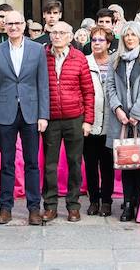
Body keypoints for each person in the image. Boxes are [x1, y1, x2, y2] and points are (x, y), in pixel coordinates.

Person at [0, 9, 49, 225]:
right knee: (7, 163)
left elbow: (43, 84)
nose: (13, 27)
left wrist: (43, 115)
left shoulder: (38, 49)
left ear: (24, 25)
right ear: (4, 25)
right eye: (9, 23)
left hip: (31, 114)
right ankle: (5, 208)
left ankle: (33, 209)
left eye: (17, 23)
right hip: (5, 113)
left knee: (32, 163)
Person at [106, 21, 140, 223]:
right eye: (126, 35)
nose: (129, 38)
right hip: (121, 120)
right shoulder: (115, 59)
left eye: (133, 35)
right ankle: (128, 204)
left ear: (139, 37)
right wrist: (118, 109)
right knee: (126, 163)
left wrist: (136, 113)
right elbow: (110, 85)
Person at [42, 19, 93, 222]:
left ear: (70, 37)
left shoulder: (79, 57)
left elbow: (88, 91)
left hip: (74, 118)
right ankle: (50, 205)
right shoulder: (42, 55)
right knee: (50, 165)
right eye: (54, 32)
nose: (57, 36)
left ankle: (73, 205)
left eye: (62, 33)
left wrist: (88, 120)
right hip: (51, 119)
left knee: (74, 162)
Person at [83, 25, 116, 217]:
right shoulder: (84, 61)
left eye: (101, 40)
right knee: (90, 164)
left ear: (109, 43)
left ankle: (107, 201)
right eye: (94, 40)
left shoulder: (115, 62)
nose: (96, 43)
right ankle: (93, 200)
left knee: (107, 164)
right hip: (90, 121)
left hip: (111, 122)